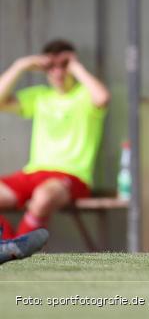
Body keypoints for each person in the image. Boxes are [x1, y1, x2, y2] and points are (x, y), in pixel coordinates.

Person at [0, 40, 110, 248]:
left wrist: (76, 67)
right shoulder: (40, 96)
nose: (58, 73)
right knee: (38, 194)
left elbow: (103, 98)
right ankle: (8, 246)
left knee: (43, 198)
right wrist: (20, 65)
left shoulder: (84, 95)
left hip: (71, 176)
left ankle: (18, 255)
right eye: (51, 67)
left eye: (64, 65)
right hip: (34, 172)